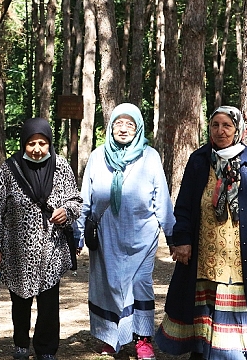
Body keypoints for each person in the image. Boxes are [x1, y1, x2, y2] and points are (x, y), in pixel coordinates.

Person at [154, 106, 247, 360]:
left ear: (237, 128)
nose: (220, 131)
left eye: (226, 125)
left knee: (236, 306)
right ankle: (203, 352)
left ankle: (234, 354)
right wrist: (181, 240)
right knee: (202, 306)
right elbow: (183, 205)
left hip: (240, 256)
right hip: (204, 252)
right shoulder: (199, 160)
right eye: (215, 125)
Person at [74, 103, 175, 360]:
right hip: (107, 234)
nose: (124, 128)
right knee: (108, 286)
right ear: (110, 127)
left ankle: (143, 340)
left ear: (138, 128)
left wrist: (172, 235)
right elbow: (85, 197)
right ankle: (111, 338)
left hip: (143, 234)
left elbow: (161, 198)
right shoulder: (98, 156)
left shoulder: (150, 156)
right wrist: (78, 232)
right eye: (119, 123)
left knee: (141, 285)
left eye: (130, 124)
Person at [0, 117, 82, 360]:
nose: (37, 149)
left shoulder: (62, 166)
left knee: (49, 303)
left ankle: (46, 348)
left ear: (49, 143)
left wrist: (66, 211)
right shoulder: (9, 169)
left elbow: (76, 202)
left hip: (51, 247)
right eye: (31, 144)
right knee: (20, 301)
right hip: (18, 249)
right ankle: (20, 343)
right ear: (23, 144)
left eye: (42, 143)